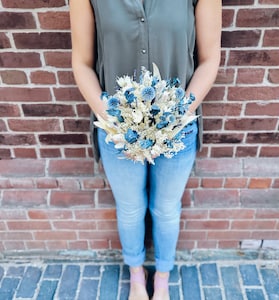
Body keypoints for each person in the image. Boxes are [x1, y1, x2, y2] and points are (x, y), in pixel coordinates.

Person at [69, 0, 222, 299]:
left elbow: (210, 59)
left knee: (166, 209)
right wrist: (116, 121)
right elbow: (81, 62)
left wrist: (174, 116)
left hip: (177, 126)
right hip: (117, 130)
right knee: (129, 209)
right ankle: (136, 275)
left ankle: (162, 277)